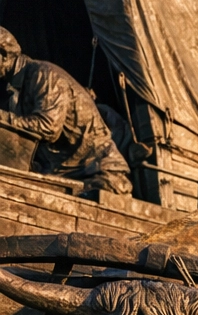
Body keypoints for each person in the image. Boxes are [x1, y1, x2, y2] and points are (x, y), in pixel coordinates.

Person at [0, 28, 130, 195]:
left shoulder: (43, 75)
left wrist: (2, 118)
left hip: (97, 174)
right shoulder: (16, 93)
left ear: (3, 54)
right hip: (61, 176)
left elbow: (48, 128)